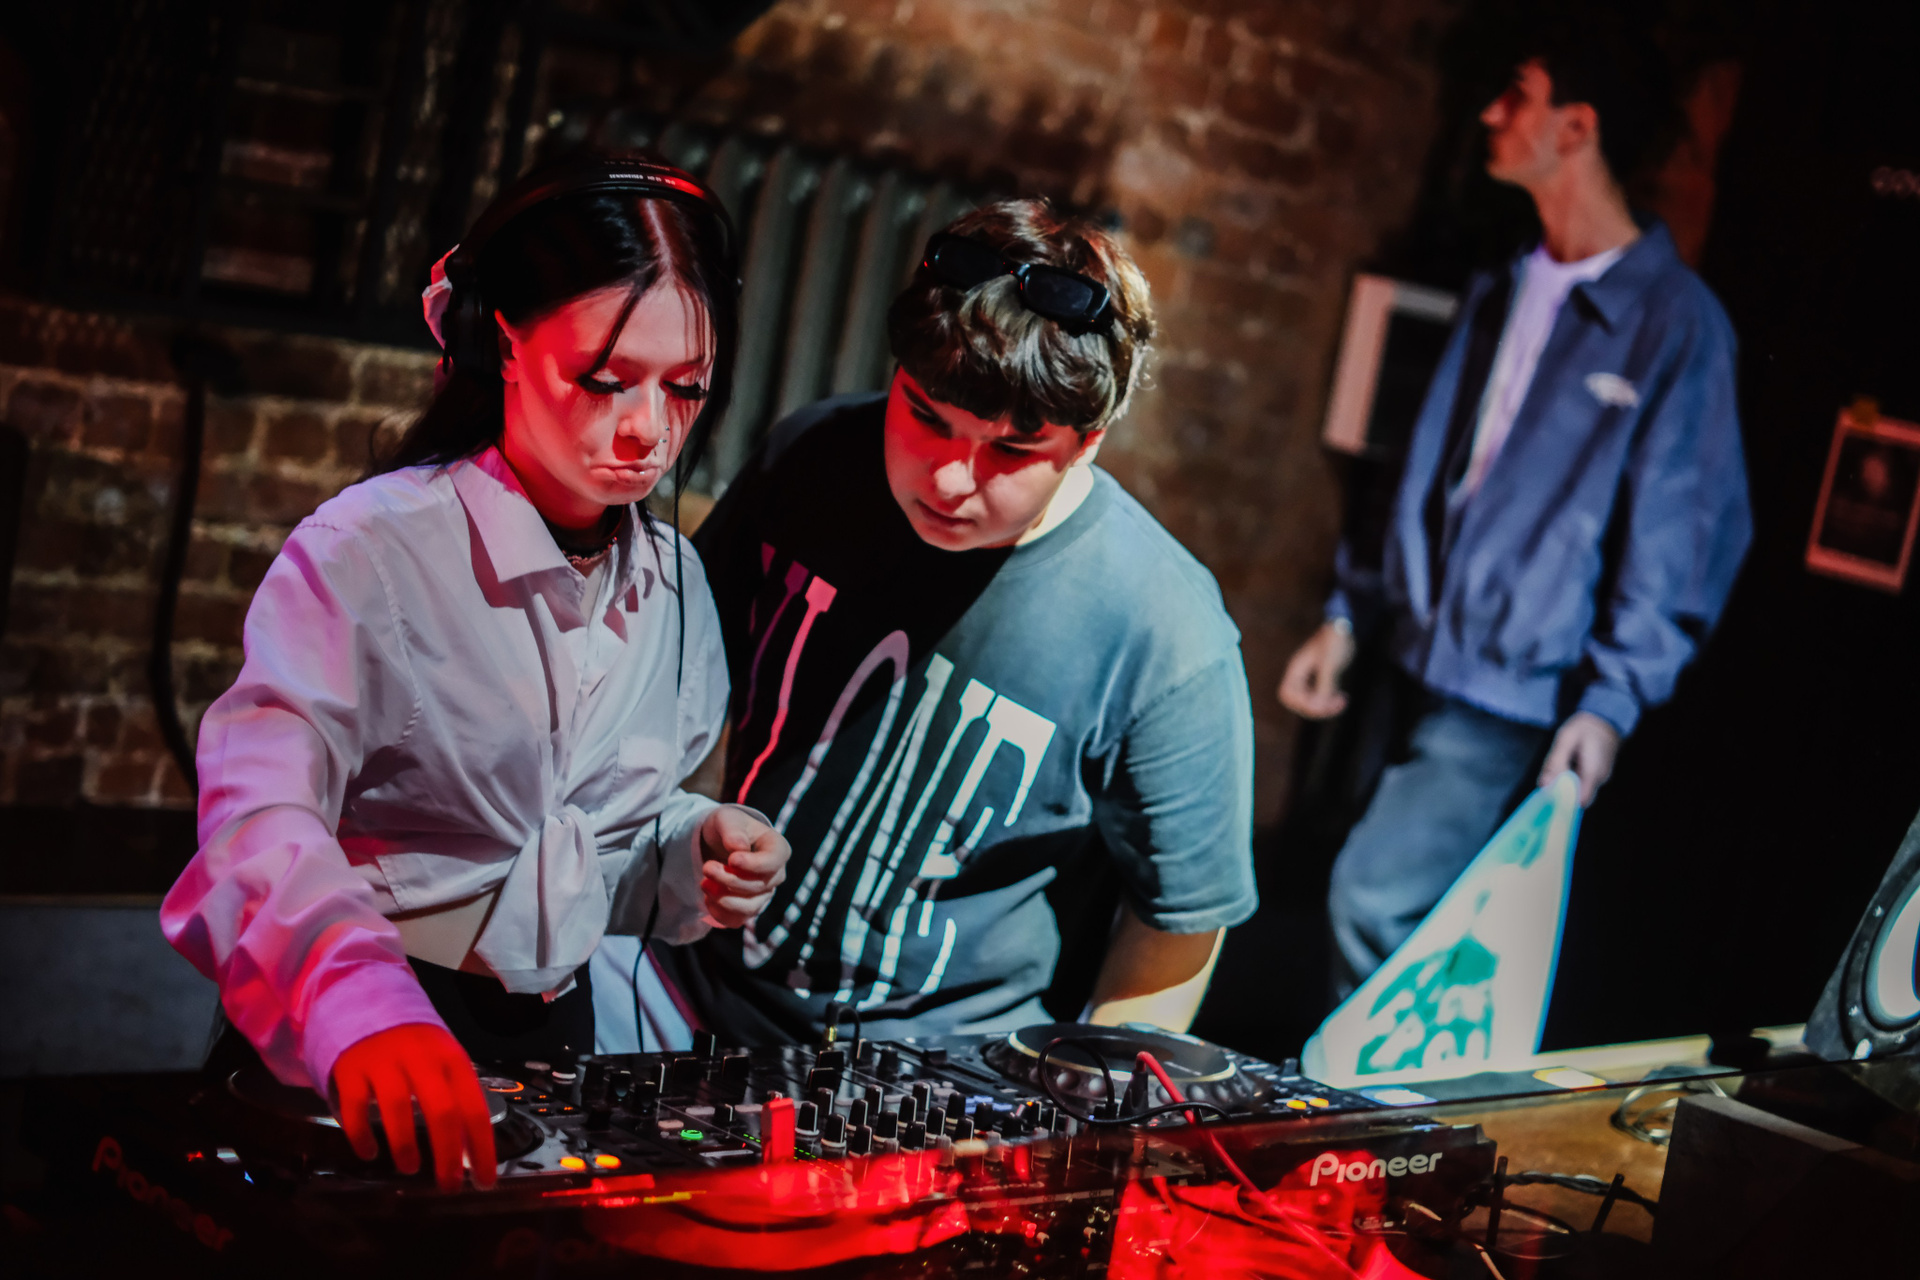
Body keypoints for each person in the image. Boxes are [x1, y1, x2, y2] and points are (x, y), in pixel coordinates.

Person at [160, 154, 791, 1191]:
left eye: (686, 387)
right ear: (501, 342)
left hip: (557, 1037)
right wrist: (359, 1005)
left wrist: (696, 844)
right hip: (373, 1024)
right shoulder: (373, 547)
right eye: (604, 380)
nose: (648, 429)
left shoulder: (674, 577)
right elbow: (259, 814)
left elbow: (589, 832)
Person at [589, 199, 1259, 1052]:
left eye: (1011, 451)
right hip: (669, 990)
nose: (949, 479)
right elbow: (671, 672)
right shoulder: (811, 455)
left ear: (1088, 442)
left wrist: (1090, 1094)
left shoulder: (1168, 631)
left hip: (935, 1075)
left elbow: (1182, 920)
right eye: (926, 417)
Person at [1278, 17, 1752, 997]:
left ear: (1577, 126)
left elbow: (1683, 537)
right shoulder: (1504, 287)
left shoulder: (1676, 326)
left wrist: (1611, 701)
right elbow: (1421, 469)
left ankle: (1355, 1098)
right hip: (1412, 653)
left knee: (1373, 899)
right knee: (1386, 922)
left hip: (1510, 692)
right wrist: (1347, 611)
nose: (1492, 115)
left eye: (1519, 95)